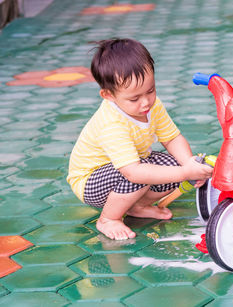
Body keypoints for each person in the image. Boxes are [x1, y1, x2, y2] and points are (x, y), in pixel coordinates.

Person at [67, 38, 212, 241]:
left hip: (132, 166)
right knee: (139, 175)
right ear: (108, 95)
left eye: (151, 90)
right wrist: (184, 172)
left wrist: (188, 164)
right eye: (134, 99)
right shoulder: (111, 123)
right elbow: (133, 172)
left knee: (172, 165)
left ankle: (137, 206)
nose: (145, 102)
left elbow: (172, 138)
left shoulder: (152, 106)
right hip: (91, 181)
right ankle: (108, 219)